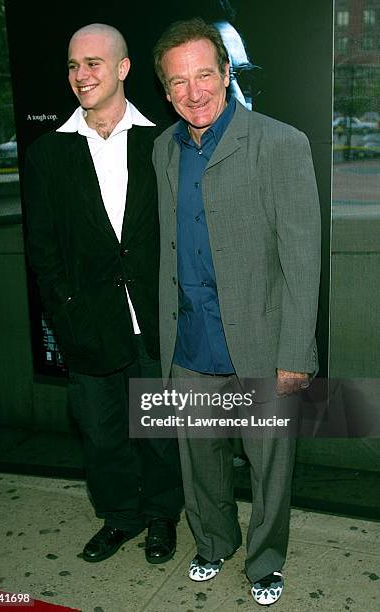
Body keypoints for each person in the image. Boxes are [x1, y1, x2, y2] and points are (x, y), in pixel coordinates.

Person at [152, 17, 321, 606]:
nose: (194, 92)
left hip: (262, 346)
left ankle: (266, 562)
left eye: (205, 74)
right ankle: (212, 543)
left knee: (270, 470)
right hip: (193, 346)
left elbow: (303, 261)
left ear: (227, 74)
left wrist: (296, 353)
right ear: (166, 90)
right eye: (179, 81)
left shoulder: (280, 143)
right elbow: (170, 251)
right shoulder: (162, 150)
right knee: (200, 466)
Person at [24, 23, 183, 566]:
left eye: (93, 63)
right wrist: (65, 314)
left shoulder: (163, 140)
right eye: (73, 65)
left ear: (123, 68)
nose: (80, 75)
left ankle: (163, 517)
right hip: (86, 322)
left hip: (155, 321)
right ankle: (120, 518)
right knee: (103, 434)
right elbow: (41, 248)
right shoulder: (49, 154)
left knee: (159, 433)